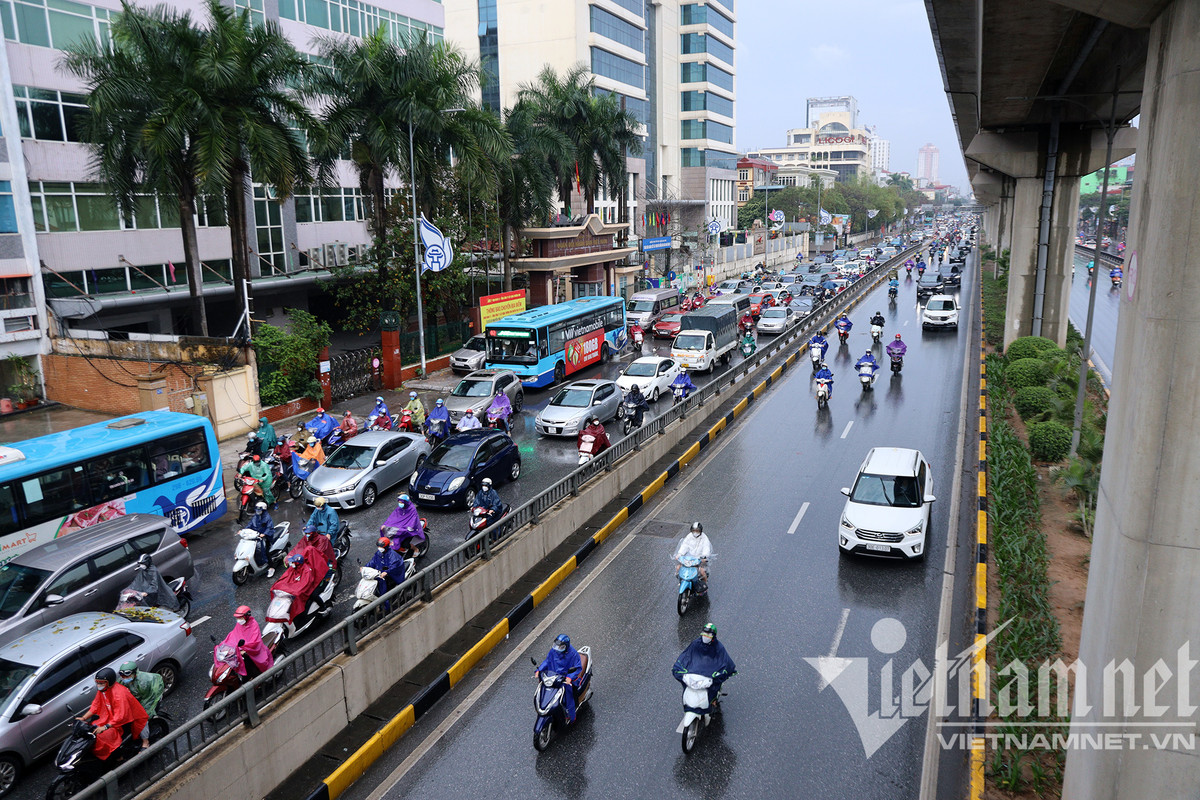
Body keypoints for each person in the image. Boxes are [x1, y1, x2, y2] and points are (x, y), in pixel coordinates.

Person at [80, 668, 148, 760]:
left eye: (101, 683)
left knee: (106, 735)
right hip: (111, 716)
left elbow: (121, 715)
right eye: (98, 683)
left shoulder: (119, 694)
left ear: (109, 682)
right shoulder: (103, 690)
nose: (98, 685)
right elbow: (95, 705)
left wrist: (105, 727)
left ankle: (145, 743)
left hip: (130, 715)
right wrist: (83, 718)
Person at [672, 623, 737, 709]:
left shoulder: (718, 648)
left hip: (710, 673)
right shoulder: (695, 644)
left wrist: (720, 673)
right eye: (704, 634)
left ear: (713, 636)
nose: (706, 637)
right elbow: (686, 656)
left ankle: (713, 700)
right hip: (695, 672)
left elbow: (726, 662)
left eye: (709, 635)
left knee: (713, 688)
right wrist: (680, 668)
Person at [537, 634, 583, 724]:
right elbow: (547, 661)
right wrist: (539, 670)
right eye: (557, 646)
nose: (558, 649)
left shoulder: (573, 654)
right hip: (554, 677)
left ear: (566, 646)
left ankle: (570, 715)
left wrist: (569, 677)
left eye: (560, 647)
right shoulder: (553, 651)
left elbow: (577, 668)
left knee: (568, 694)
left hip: (565, 679)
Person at [270, 551, 328, 623]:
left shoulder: (306, 571)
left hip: (311, 587)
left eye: (293, 562)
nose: (291, 564)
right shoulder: (295, 568)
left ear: (297, 563)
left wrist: (295, 591)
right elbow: (287, 578)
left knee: (313, 595)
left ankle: (323, 607)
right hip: (299, 587)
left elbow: (305, 584)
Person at [118, 662, 163, 748]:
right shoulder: (121, 681)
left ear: (135, 674)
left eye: (127, 675)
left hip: (151, 697)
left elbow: (148, 699)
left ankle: (145, 742)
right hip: (137, 698)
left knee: (142, 718)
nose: (124, 678)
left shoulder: (144, 682)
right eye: (122, 676)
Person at [223, 606, 274, 677]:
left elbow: (255, 641)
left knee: (252, 665)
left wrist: (245, 649)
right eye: (238, 618)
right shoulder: (239, 624)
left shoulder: (253, 624)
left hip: (254, 650)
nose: (239, 620)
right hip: (241, 649)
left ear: (246, 616)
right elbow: (234, 635)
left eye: (240, 618)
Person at [366, 537, 407, 603]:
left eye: (381, 547)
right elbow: (373, 561)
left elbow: (394, 566)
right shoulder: (379, 553)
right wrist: (365, 567)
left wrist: (386, 572)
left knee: (383, 592)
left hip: (392, 575)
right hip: (380, 573)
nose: (380, 548)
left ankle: (386, 605)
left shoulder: (393, 556)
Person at [675, 521, 713, 587]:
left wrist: (704, 556)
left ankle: (704, 584)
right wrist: (680, 554)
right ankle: (681, 581)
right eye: (694, 530)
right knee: (679, 568)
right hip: (689, 558)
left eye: (697, 531)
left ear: (700, 531)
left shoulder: (704, 538)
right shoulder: (689, 536)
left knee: (702, 571)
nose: (695, 532)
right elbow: (685, 545)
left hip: (699, 559)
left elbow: (706, 547)